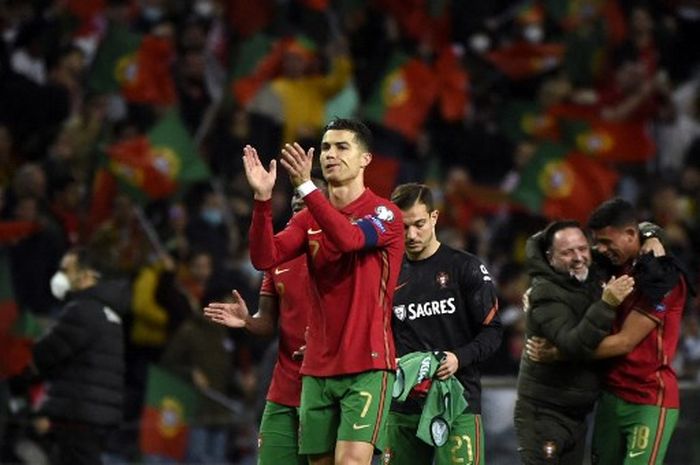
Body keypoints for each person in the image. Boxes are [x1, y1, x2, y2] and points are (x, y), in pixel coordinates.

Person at [242, 117, 404, 465]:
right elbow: (263, 257)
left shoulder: (385, 213)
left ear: (365, 159)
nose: (330, 154)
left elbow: (349, 240)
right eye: (326, 147)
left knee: (350, 462)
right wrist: (262, 199)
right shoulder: (306, 219)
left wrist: (306, 189)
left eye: (342, 146)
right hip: (316, 367)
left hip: (368, 362)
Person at [383, 182, 502, 465]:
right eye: (403, 226)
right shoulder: (386, 273)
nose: (411, 235)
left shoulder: (465, 267)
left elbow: (493, 331)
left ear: (434, 218)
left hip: (457, 401)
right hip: (403, 405)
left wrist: (458, 358)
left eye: (419, 224)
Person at [204, 185, 320, 465]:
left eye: (308, 194)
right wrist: (247, 320)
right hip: (285, 385)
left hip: (327, 385)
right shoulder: (278, 253)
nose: (298, 199)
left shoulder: (345, 252)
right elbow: (267, 321)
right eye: (294, 194)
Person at [515, 220, 636, 465]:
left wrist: (653, 234)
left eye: (582, 248)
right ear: (550, 257)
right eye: (568, 252)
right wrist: (606, 304)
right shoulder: (545, 292)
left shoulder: (590, 277)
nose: (579, 257)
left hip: (577, 415)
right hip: (544, 415)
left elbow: (631, 233)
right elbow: (574, 345)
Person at [586, 198, 688, 465]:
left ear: (631, 235)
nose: (601, 249)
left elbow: (624, 342)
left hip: (648, 398)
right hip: (610, 395)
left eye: (607, 242)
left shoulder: (662, 276)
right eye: (598, 242)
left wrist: (563, 351)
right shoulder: (611, 267)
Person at [25, 247, 129, 465]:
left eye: (67, 270)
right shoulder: (109, 312)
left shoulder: (83, 310)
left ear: (87, 275)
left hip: (78, 415)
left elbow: (45, 354)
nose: (61, 276)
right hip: (94, 415)